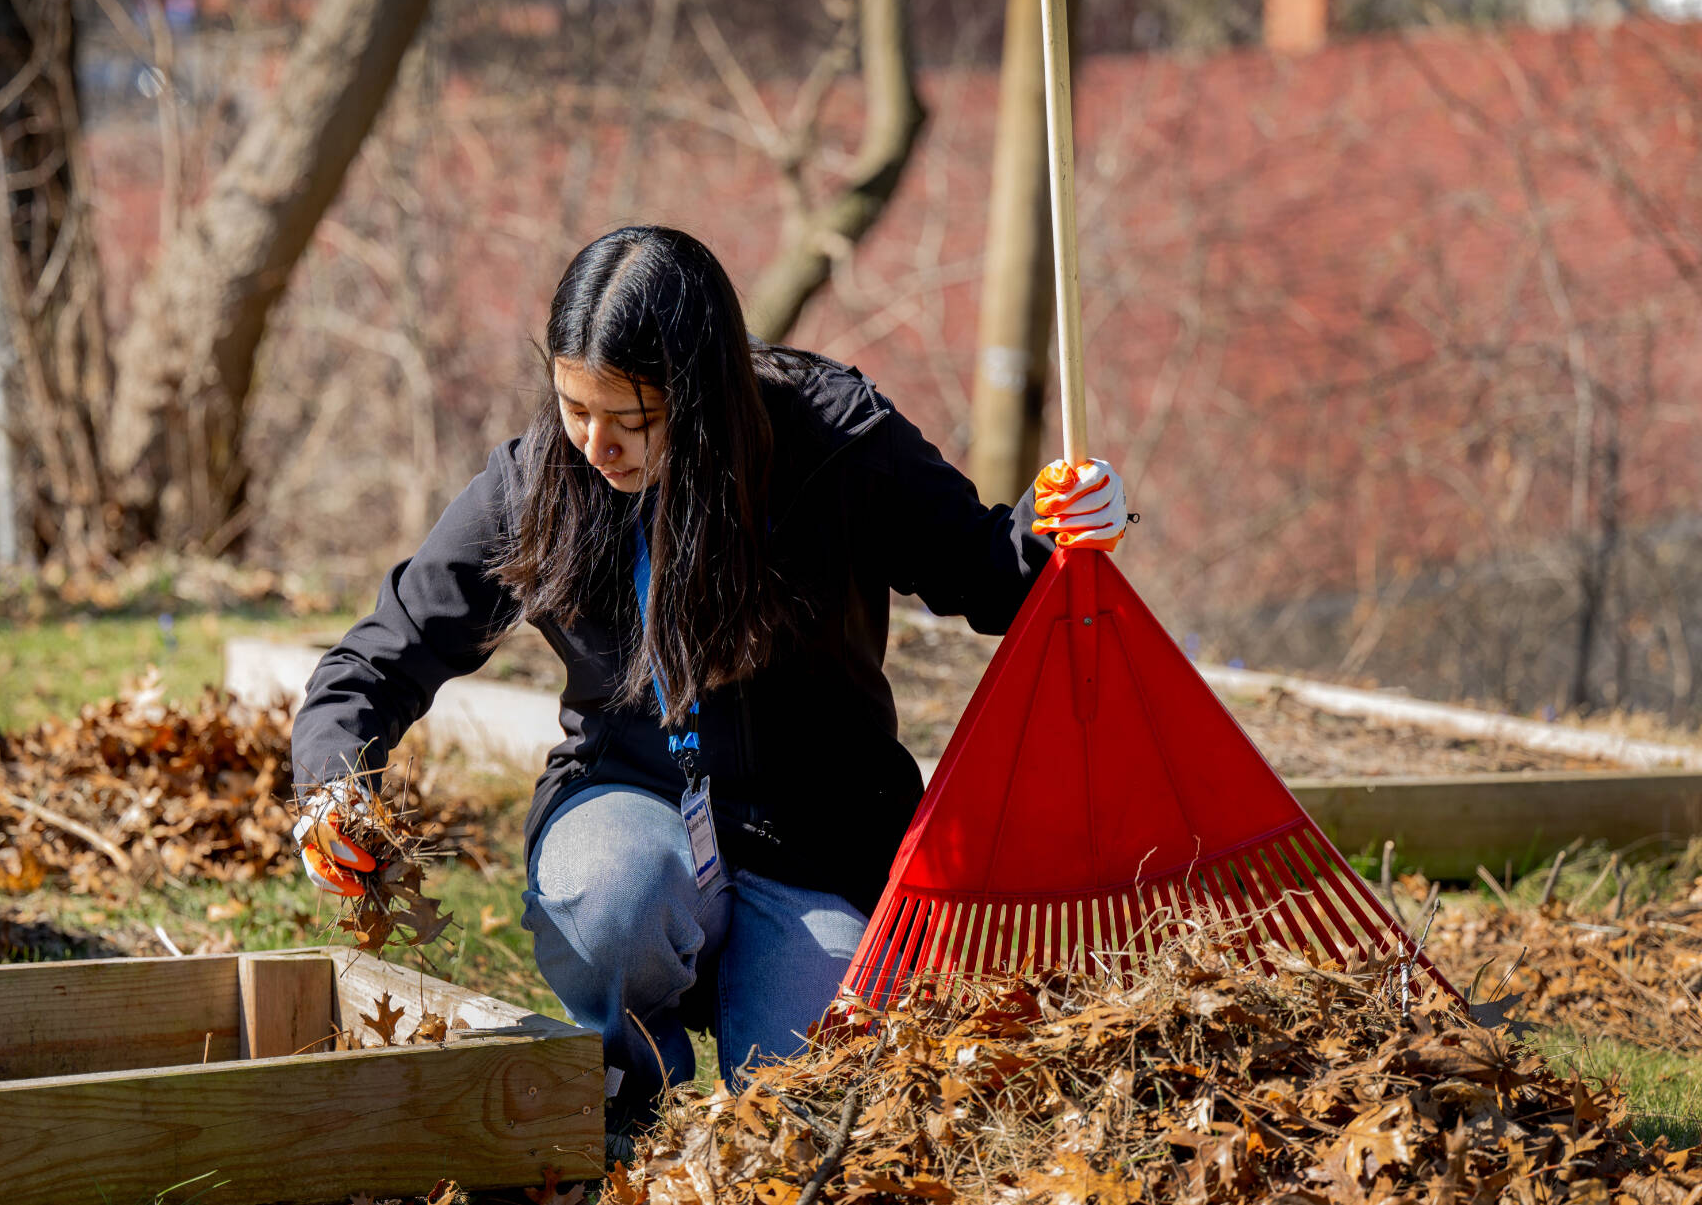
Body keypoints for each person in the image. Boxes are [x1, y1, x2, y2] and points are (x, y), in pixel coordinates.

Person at [289, 225, 1127, 1150]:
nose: (597, 445)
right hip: (631, 804)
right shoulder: (540, 479)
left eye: (634, 419)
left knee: (814, 1109)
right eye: (575, 406)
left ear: (701, 395)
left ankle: (760, 1014)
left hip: (817, 841)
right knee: (614, 899)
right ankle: (625, 1095)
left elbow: (990, 574)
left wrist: (1067, 522)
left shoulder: (836, 442)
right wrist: (332, 786)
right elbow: (380, 657)